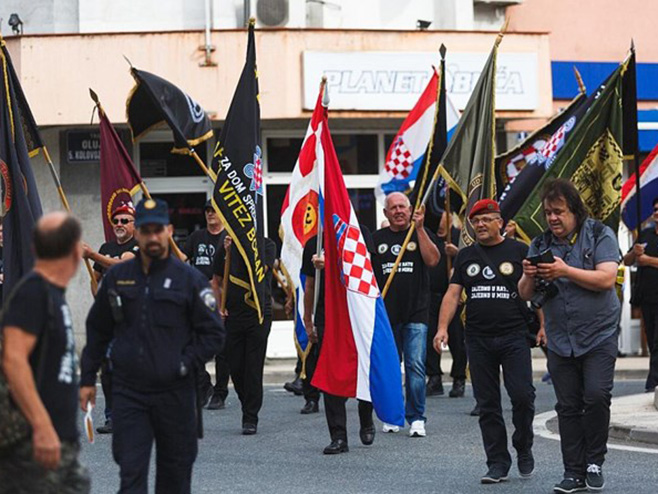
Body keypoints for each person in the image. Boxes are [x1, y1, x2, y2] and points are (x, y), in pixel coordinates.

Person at [80, 198, 225, 494]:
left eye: (159, 229)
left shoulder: (190, 280)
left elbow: (213, 334)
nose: (153, 236)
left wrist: (185, 362)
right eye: (146, 230)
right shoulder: (118, 278)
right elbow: (97, 331)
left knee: (174, 478)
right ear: (139, 234)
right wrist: (86, 380)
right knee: (131, 474)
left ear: (169, 231)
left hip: (176, 393)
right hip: (130, 393)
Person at [519, 179, 620, 493]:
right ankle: (573, 472)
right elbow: (524, 293)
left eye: (559, 212)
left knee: (597, 396)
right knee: (568, 406)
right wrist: (528, 274)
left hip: (599, 333)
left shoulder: (600, 234)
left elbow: (606, 279)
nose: (552, 218)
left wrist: (565, 271)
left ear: (575, 211)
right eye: (548, 212)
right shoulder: (539, 243)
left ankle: (594, 461)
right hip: (561, 338)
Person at [435, 199, 537, 484]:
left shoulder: (519, 251)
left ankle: (523, 444)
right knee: (488, 404)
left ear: (500, 222)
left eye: (486, 219)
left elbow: (534, 289)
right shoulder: (466, 255)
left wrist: (545, 328)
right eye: (475, 221)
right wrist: (442, 328)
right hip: (478, 339)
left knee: (523, 396)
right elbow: (453, 294)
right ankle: (497, 462)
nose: (480, 225)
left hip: (514, 336)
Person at [0, 212, 90, 493]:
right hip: (33, 444)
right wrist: (42, 426)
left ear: (35, 249)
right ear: (76, 250)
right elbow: (13, 360)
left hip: (57, 440)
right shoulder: (33, 293)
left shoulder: (51, 294)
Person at [372, 192, 440, 437]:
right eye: (393, 208)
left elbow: (433, 260)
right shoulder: (376, 238)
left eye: (403, 207)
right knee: (389, 368)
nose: (399, 211)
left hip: (416, 313)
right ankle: (392, 415)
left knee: (416, 367)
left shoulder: (419, 234)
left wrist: (420, 230)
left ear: (410, 210)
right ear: (385, 213)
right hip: (386, 316)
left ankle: (417, 417)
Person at [302, 233, 376, 454]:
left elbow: (364, 268)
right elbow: (310, 285)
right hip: (328, 317)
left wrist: (332, 264)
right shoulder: (314, 243)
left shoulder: (358, 232)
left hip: (357, 314)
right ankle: (338, 437)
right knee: (331, 376)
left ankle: (366, 416)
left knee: (362, 370)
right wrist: (308, 319)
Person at [81, 202, 139, 435]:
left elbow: (119, 265)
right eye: (116, 221)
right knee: (107, 368)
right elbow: (95, 278)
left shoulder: (137, 247)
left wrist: (93, 254)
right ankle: (112, 416)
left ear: (134, 225)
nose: (119, 225)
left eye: (125, 220)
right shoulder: (106, 246)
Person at [212, 234, 276, 435]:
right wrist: (219, 308)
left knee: (253, 366)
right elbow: (216, 280)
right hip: (233, 315)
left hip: (258, 313)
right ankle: (245, 400)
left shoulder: (267, 244)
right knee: (236, 365)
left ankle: (250, 416)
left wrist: (239, 250)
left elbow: (259, 271)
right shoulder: (225, 247)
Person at [184, 199, 229, 410]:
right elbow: (182, 257)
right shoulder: (196, 237)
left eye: (214, 211)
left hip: (222, 297)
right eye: (207, 211)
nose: (210, 214)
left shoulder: (228, 238)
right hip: (197, 298)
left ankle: (220, 392)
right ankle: (204, 385)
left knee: (221, 349)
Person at [426, 210, 467, 399]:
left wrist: (456, 253)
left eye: (444, 218)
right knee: (431, 338)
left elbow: (472, 257)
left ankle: (459, 379)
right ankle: (434, 377)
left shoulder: (458, 237)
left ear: (451, 219)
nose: (441, 222)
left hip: (453, 296)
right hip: (432, 296)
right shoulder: (430, 237)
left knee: (458, 340)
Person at [623, 196, 658, 393]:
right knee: (652, 340)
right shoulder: (645, 235)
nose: (656, 212)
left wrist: (647, 260)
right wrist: (635, 254)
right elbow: (627, 261)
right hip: (646, 297)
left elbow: (646, 261)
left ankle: (652, 383)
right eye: (655, 209)